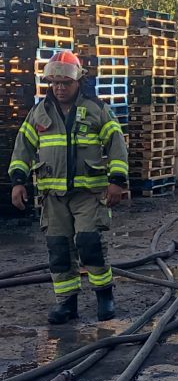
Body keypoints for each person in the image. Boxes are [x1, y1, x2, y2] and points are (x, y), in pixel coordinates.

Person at [9, 50, 128, 324]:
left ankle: (104, 296)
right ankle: (67, 303)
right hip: (53, 196)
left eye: (65, 83)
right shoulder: (39, 113)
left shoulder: (97, 109)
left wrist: (117, 182)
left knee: (90, 245)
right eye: (55, 83)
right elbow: (22, 149)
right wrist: (18, 181)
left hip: (89, 194)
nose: (59, 88)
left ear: (78, 82)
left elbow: (117, 146)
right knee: (59, 249)